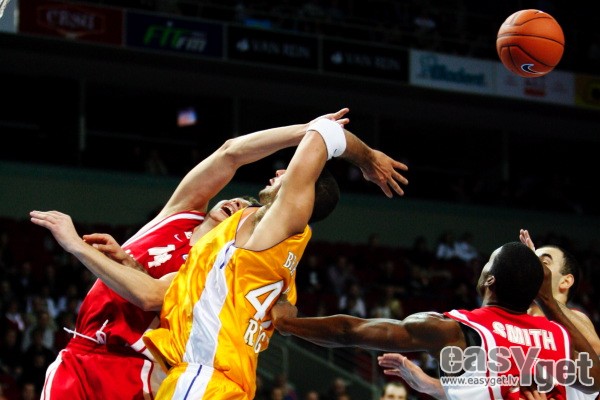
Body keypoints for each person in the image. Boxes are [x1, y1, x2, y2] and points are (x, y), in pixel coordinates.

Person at [31, 108, 407, 400]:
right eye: (236, 200)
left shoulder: (222, 257)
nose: (238, 205)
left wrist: (76, 245)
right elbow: (230, 153)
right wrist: (305, 129)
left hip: (145, 367)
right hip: (91, 351)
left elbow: (150, 295)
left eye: (246, 209)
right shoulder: (182, 218)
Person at [272, 241, 600, 400]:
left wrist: (288, 324)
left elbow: (351, 331)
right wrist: (548, 301)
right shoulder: (559, 337)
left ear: (490, 280)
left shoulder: (456, 331)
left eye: (488, 262)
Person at [379, 228, 600, 400]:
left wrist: (547, 299)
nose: (533, 268)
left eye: (541, 263)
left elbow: (594, 355)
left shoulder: (573, 322)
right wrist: (430, 385)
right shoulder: (507, 330)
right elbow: (482, 390)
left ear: (566, 281)